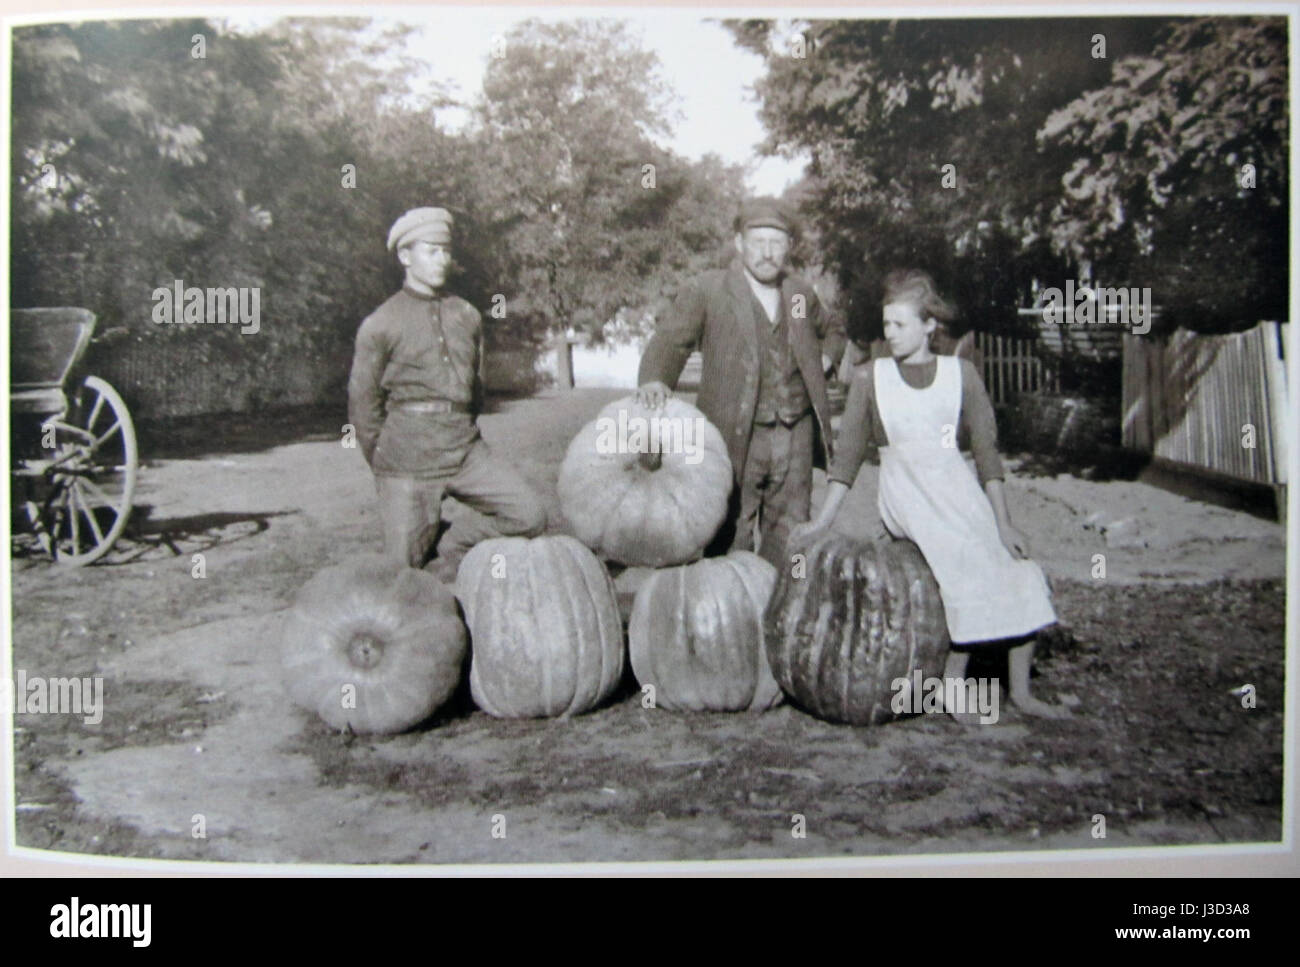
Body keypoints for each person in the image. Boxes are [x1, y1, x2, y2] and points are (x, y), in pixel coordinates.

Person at [790, 269, 1068, 722]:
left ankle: (1021, 693)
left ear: (928, 326)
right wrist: (824, 520)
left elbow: (987, 456)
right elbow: (847, 461)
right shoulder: (871, 378)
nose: (890, 334)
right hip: (909, 495)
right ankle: (950, 689)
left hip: (956, 492)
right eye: (887, 325)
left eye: (900, 325)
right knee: (959, 564)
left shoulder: (963, 375)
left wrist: (1003, 523)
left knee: (1017, 567)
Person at [636, 197, 846, 569]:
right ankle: (731, 615)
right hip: (734, 434)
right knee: (731, 528)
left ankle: (782, 612)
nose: (767, 252)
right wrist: (655, 379)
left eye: (777, 242)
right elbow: (671, 339)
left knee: (792, 532)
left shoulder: (798, 293)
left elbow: (832, 331)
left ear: (789, 247)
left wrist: (825, 359)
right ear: (739, 243)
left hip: (795, 433)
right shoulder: (710, 290)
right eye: (758, 241)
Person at [348, 206, 546, 579]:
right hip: (407, 457)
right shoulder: (380, 323)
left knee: (529, 515)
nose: (442, 260)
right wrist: (384, 459)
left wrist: (461, 431)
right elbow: (363, 405)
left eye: (446, 251)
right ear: (406, 257)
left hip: (464, 450)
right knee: (401, 578)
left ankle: (450, 547)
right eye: (431, 250)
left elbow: (475, 388)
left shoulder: (466, 315)